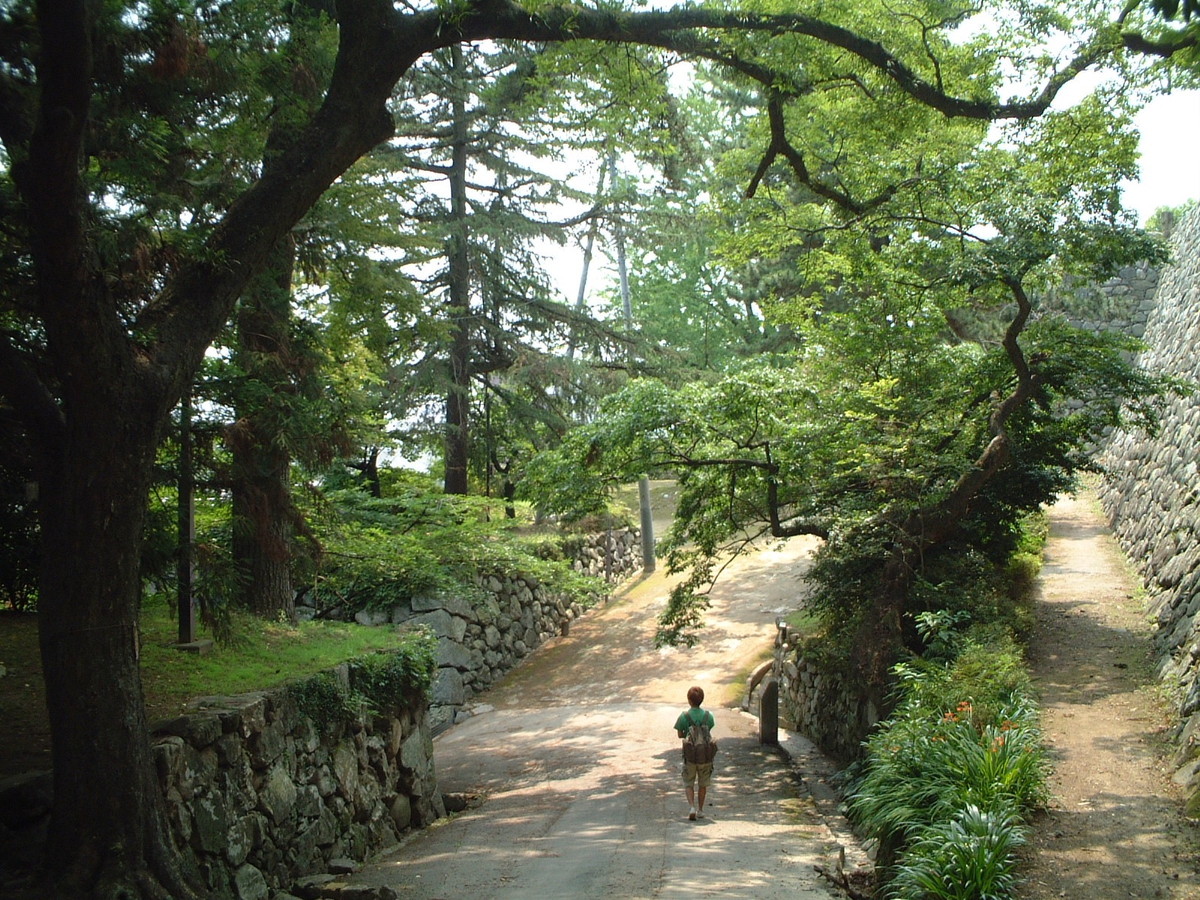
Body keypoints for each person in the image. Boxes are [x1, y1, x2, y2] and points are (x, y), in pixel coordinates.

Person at [673, 685, 715, 821]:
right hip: (705, 756)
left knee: (688, 782)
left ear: (689, 700)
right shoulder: (708, 716)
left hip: (690, 755)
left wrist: (687, 732)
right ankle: (701, 809)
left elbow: (680, 734)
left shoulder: (684, 716)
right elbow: (709, 731)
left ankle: (691, 807)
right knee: (703, 783)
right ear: (702, 699)